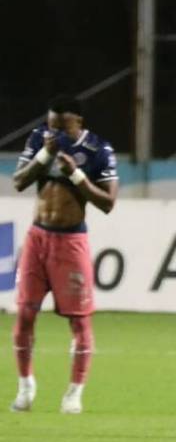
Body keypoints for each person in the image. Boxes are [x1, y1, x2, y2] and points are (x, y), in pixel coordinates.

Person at [10, 95, 118, 414]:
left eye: (60, 126)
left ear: (78, 123)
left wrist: (76, 175)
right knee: (25, 314)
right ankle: (26, 386)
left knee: (79, 322)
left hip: (71, 242)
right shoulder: (39, 141)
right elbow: (19, 181)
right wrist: (45, 153)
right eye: (50, 124)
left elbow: (108, 203)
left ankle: (74, 393)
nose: (52, 131)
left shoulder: (98, 151)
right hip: (37, 238)